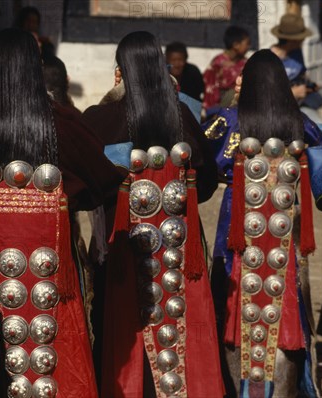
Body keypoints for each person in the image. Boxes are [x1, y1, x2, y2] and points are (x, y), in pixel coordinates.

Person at [0, 28, 123, 397]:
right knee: (54, 346)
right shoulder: (61, 124)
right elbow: (100, 179)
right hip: (53, 258)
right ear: (35, 69)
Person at [83, 31, 223, 397]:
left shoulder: (100, 118)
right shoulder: (181, 117)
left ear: (120, 72)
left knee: (115, 333)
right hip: (177, 253)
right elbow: (206, 182)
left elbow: (84, 183)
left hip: (121, 250)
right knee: (178, 328)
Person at [203, 49, 322, 397]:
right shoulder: (300, 123)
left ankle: (236, 386)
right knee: (285, 298)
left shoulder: (228, 121)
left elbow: (203, 160)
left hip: (239, 221)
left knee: (235, 298)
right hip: (287, 224)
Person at [270, 13, 322, 118]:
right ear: (293, 40)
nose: (304, 40)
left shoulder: (296, 53)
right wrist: (292, 93)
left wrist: (310, 86)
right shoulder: (268, 60)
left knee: (319, 98)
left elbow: (302, 75)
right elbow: (264, 94)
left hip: (301, 100)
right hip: (279, 108)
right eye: (302, 38)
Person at [203, 25, 250, 117]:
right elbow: (210, 89)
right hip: (219, 109)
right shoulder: (217, 63)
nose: (249, 46)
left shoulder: (245, 63)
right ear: (236, 45)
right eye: (247, 43)